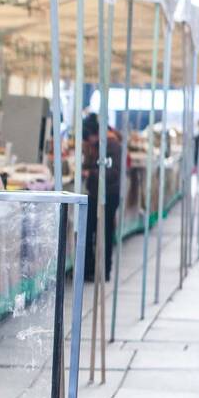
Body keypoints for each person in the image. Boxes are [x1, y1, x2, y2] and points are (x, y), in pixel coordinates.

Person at [82, 113, 122, 282]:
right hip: (94, 194)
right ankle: (90, 269)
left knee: (104, 233)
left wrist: (90, 173)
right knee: (90, 231)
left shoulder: (111, 145)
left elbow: (112, 172)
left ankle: (104, 270)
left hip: (108, 194)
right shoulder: (98, 144)